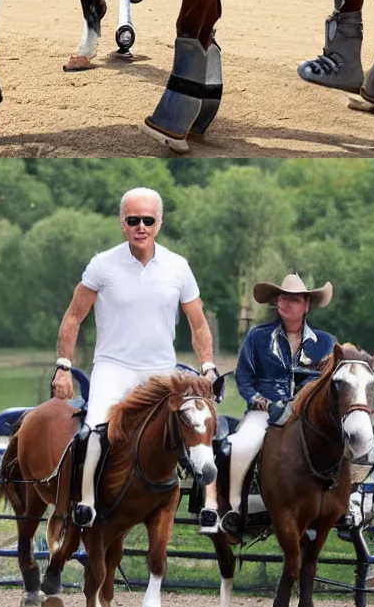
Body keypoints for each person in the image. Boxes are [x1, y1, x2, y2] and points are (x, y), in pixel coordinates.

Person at [51, 188, 221, 531]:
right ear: (122, 225)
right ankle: (85, 501)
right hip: (114, 366)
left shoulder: (178, 267)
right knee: (94, 428)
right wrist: (63, 366)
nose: (140, 226)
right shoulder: (102, 265)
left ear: (158, 224)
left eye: (148, 220)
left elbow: (198, 322)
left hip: (161, 370)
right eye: (133, 220)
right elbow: (73, 317)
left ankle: (210, 505)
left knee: (200, 422)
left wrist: (208, 367)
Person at [215, 272, 337, 538]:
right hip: (264, 411)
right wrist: (261, 401)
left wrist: (304, 404)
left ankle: (343, 507)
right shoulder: (257, 337)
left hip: (308, 416)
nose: (285, 303)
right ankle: (235, 508)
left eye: (293, 300)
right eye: (282, 299)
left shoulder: (325, 343)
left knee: (342, 446)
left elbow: (330, 384)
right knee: (241, 444)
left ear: (306, 305)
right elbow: (244, 378)